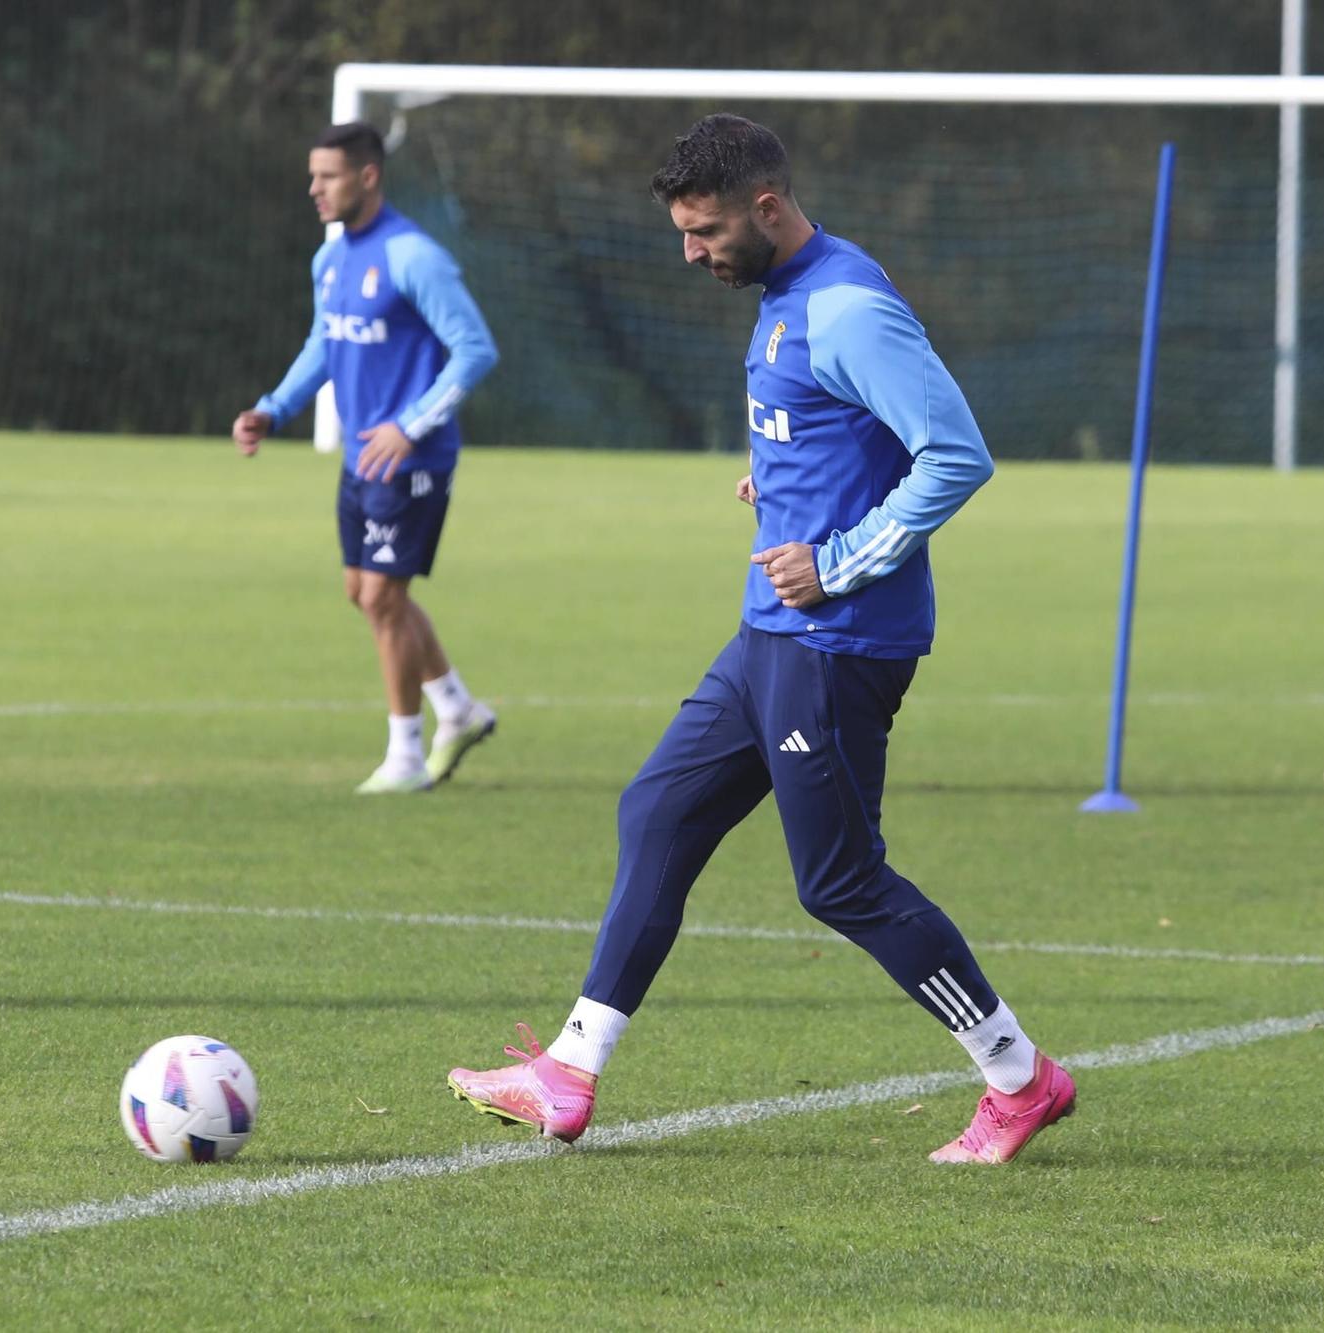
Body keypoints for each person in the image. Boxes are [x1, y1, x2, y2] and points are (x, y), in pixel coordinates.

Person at [448, 114, 1074, 1165]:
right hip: (770, 635)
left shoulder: (846, 307)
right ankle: (568, 1069)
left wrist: (835, 559)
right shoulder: (789, 292)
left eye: (702, 231)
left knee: (838, 881)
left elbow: (955, 456)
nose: (689, 251)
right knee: (657, 808)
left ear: (766, 209)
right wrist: (783, 485)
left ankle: (1018, 1076)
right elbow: (840, 433)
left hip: (835, 641)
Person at [234, 123, 500, 795]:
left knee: (382, 596)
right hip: (361, 461)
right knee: (366, 593)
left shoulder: (414, 257)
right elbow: (325, 344)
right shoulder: (331, 262)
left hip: (413, 460)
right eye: (312, 176)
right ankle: (458, 708)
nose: (313, 189)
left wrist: (410, 426)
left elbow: (475, 350)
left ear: (368, 177)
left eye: (327, 176)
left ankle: (406, 755)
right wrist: (273, 408)